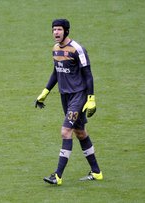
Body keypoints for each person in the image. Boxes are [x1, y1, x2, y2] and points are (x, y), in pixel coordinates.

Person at [35, 19, 103, 185]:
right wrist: (45, 92)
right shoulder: (55, 49)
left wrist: (91, 98)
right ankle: (96, 172)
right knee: (80, 132)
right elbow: (56, 72)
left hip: (78, 96)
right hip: (65, 97)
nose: (56, 33)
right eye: (53, 30)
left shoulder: (77, 49)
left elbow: (88, 74)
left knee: (66, 131)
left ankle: (57, 175)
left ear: (66, 31)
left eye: (59, 29)